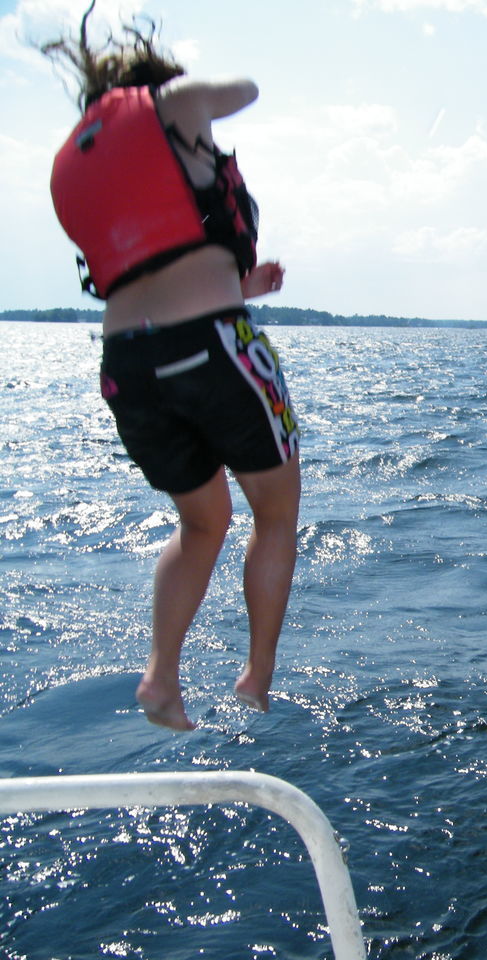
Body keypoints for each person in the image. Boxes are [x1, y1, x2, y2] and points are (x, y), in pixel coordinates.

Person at [43, 4, 299, 731]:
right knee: (275, 514)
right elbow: (244, 89)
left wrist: (235, 284)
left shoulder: (73, 159)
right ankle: (256, 678)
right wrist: (191, 98)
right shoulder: (175, 106)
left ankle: (161, 680)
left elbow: (148, 267)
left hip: (127, 363)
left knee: (202, 521)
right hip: (212, 346)